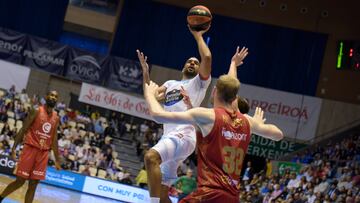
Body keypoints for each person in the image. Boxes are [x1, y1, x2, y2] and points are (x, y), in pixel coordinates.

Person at [144, 75, 283, 202]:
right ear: (234, 98)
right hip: (232, 197)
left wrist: (149, 94)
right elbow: (278, 135)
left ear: (214, 90)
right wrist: (258, 124)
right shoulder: (246, 121)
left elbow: (157, 114)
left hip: (209, 194)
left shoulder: (208, 115)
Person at [137, 25, 212, 203]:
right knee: (163, 194)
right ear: (183, 67)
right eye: (189, 61)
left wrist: (198, 35)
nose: (193, 63)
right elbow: (150, 95)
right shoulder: (171, 83)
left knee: (150, 157)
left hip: (184, 135)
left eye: (196, 62)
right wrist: (146, 73)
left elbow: (207, 57)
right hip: (171, 136)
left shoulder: (198, 84)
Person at [0, 91, 61, 203]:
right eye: (51, 95)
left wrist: (57, 159)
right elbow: (23, 129)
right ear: (46, 96)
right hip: (30, 149)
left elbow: (54, 139)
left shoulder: (56, 117)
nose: (53, 97)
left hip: (43, 153)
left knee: (33, 185)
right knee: (20, 181)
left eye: (55, 96)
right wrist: (13, 149)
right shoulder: (37, 110)